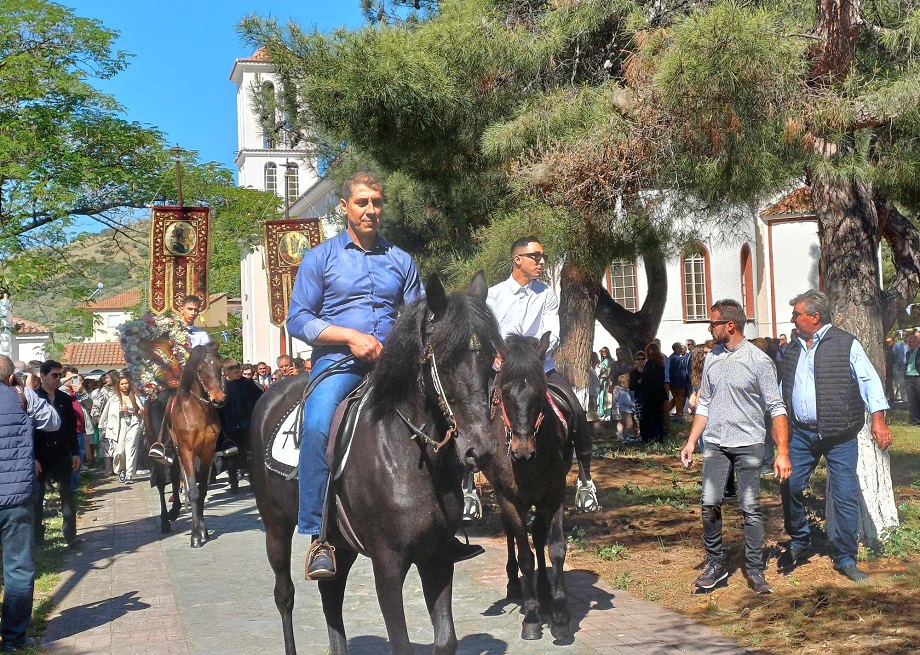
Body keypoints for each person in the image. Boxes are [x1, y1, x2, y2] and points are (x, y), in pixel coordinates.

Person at [287, 172, 477, 580]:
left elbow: (416, 316)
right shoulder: (320, 257)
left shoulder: (401, 260)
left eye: (376, 202)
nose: (371, 209)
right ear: (344, 208)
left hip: (396, 365)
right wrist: (351, 337)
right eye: (362, 202)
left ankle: (448, 524)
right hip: (338, 363)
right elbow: (298, 318)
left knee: (445, 417)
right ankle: (318, 536)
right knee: (319, 425)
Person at [777, 289, 892, 583]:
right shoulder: (792, 349)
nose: (792, 319)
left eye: (796, 314)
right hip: (801, 434)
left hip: (840, 434)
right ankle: (800, 540)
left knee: (844, 494)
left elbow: (870, 383)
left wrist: (878, 422)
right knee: (790, 484)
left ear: (814, 317)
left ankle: (845, 557)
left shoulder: (845, 344)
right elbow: (782, 391)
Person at [679, 299, 790, 595]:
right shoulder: (712, 358)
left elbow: (776, 407)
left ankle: (754, 569)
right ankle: (715, 565)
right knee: (709, 504)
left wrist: (782, 452)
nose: (709, 328)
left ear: (730, 325)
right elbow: (704, 402)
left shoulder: (758, 361)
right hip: (715, 444)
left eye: (713, 323)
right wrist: (691, 441)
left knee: (750, 508)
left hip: (749, 445)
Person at [486, 236, 599, 512]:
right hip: (505, 370)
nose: (542, 262)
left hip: (540, 368)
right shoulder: (494, 295)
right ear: (518, 260)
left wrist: (536, 355)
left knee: (576, 409)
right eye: (536, 256)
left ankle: (585, 477)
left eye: (542, 257)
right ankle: (466, 485)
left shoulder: (547, 294)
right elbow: (487, 334)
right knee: (470, 411)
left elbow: (553, 333)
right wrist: (496, 355)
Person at [0, 356, 60, 652]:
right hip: (15, 499)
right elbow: (53, 422)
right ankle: (13, 638)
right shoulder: (22, 396)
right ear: (12, 376)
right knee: (18, 568)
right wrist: (26, 390)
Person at [148, 295, 216, 462]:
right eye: (190, 309)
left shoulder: (202, 335)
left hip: (196, 380)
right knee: (159, 402)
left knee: (219, 401)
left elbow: (206, 357)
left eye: (196, 310)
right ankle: (161, 444)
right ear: (182, 310)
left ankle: (222, 441)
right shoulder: (167, 331)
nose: (193, 313)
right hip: (173, 379)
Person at [33, 360, 81, 547]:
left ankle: (70, 535)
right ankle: (38, 537)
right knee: (37, 496)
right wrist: (34, 457)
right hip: (41, 452)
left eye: (60, 375)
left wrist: (75, 453)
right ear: (43, 376)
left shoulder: (64, 399)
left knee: (66, 492)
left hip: (61, 451)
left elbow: (71, 427)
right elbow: (30, 429)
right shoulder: (34, 398)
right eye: (54, 375)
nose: (58, 379)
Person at [217, 360, 263, 492]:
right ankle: (233, 481)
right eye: (236, 372)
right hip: (230, 426)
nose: (239, 374)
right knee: (231, 455)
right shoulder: (222, 387)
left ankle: (253, 481)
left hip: (246, 423)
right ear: (227, 373)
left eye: (239, 371)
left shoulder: (247, 384)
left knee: (250, 454)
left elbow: (259, 397)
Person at [99, 375, 143, 483]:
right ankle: (121, 469)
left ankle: (129, 474)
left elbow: (140, 410)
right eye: (122, 384)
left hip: (133, 423)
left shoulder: (134, 396)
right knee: (120, 451)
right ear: (118, 386)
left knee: (131, 448)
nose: (125, 386)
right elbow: (106, 412)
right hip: (118, 425)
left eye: (126, 383)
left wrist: (139, 411)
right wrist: (103, 425)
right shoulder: (113, 398)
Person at [632, 343, 667, 442]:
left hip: (650, 394)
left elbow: (647, 378)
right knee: (658, 417)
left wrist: (641, 381)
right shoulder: (661, 363)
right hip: (659, 394)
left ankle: (648, 437)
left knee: (647, 416)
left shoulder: (650, 363)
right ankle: (659, 437)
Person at [668, 342, 689, 417]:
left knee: (676, 398)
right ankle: (679, 413)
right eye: (680, 347)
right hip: (677, 383)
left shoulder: (674, 357)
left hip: (677, 382)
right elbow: (672, 371)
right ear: (677, 348)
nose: (682, 349)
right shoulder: (675, 358)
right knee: (679, 398)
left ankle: (665, 411)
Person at [614, 374, 637, 441]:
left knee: (629, 423)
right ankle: (625, 437)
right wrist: (632, 404)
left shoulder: (627, 391)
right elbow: (625, 401)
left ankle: (626, 435)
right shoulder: (622, 393)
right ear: (622, 384)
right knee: (629, 424)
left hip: (628, 410)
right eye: (628, 383)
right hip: (625, 411)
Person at [597, 347, 614, 419]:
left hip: (607, 381)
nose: (603, 353)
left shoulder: (608, 361)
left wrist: (602, 372)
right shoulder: (603, 361)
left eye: (605, 351)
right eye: (602, 351)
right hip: (602, 381)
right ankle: (602, 412)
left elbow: (607, 371)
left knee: (606, 397)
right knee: (601, 396)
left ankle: (607, 413)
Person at [892, 332, 907, 402]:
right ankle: (905, 399)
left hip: (911, 366)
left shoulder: (913, 344)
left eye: (907, 335)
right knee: (901, 383)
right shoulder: (897, 345)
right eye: (904, 335)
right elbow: (894, 355)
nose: (905, 337)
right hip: (900, 366)